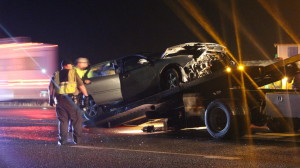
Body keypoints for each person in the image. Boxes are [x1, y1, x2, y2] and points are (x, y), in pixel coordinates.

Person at [48, 59, 89, 145]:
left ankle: (62, 141)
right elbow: (81, 86)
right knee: (76, 120)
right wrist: (86, 97)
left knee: (63, 121)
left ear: (63, 66)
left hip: (60, 101)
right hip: (72, 101)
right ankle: (77, 140)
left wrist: (50, 99)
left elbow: (50, 88)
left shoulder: (56, 74)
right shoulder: (73, 73)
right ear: (68, 65)